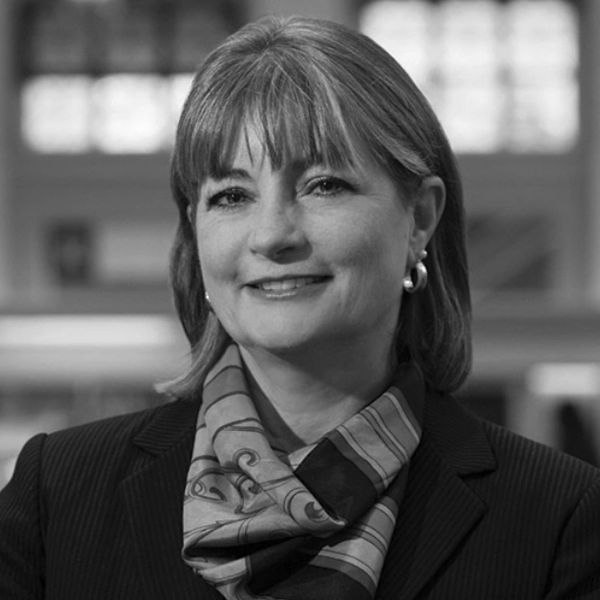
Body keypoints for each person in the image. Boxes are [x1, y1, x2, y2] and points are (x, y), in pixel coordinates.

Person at [1, 14, 599, 600]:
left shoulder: (560, 517)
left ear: (418, 218)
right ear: (195, 231)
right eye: (231, 196)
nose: (271, 235)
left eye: (323, 185)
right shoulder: (56, 493)